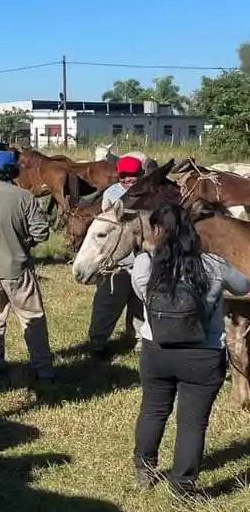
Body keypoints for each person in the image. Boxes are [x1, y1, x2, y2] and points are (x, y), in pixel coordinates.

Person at [131, 203, 250, 497]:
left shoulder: (145, 263)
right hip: (203, 355)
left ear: (158, 231)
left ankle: (144, 468)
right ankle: (183, 487)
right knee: (192, 422)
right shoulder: (213, 265)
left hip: (156, 349)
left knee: (153, 410)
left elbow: (140, 293)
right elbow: (243, 285)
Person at [0, 149, 55, 385]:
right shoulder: (24, 197)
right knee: (32, 318)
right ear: (15, 170)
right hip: (16, 267)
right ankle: (43, 369)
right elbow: (41, 231)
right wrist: (25, 242)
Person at [89, 155, 147, 361]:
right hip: (117, 263)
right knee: (107, 303)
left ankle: (141, 341)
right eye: (124, 176)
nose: (128, 179)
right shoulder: (111, 194)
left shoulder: (150, 194)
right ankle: (97, 343)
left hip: (143, 260)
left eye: (133, 175)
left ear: (141, 175)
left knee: (141, 303)